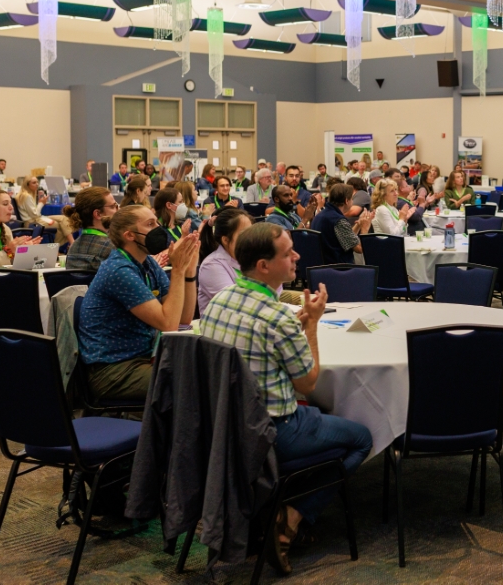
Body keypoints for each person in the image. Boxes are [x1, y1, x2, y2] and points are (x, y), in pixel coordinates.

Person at [199, 223, 372, 571]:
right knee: (361, 439)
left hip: (223, 426)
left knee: (321, 414)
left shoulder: (219, 301)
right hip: (273, 431)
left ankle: (272, 502)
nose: (297, 256)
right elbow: (307, 383)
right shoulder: (278, 317)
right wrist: (311, 325)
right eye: (287, 253)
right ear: (263, 266)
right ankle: (290, 517)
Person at [78, 205, 199, 401]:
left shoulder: (147, 263)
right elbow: (168, 324)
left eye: (157, 223)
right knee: (191, 380)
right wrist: (177, 270)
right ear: (130, 235)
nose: (158, 229)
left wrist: (190, 270)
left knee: (205, 369)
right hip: (114, 371)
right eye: (150, 224)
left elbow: (182, 320)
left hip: (145, 358)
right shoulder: (119, 270)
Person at [197, 206, 254, 314]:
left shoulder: (248, 258)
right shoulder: (211, 266)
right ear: (226, 240)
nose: (250, 238)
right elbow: (235, 305)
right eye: (244, 234)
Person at [312, 182, 375, 263]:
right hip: (339, 269)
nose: (353, 202)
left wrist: (358, 224)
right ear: (346, 201)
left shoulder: (321, 215)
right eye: (352, 199)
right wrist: (365, 229)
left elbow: (346, 237)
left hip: (323, 267)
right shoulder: (338, 220)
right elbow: (360, 249)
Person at [64, 187, 118, 272]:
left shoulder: (73, 247)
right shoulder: (113, 248)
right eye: (113, 206)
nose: (117, 211)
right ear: (98, 214)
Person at [15, 176, 73, 243]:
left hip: (35, 219)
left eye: (37, 182)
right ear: (27, 185)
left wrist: (40, 203)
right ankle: (61, 246)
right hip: (32, 222)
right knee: (63, 225)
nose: (37, 184)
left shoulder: (24, 195)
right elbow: (35, 215)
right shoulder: (27, 196)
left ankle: (65, 245)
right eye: (34, 183)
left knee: (64, 219)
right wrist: (41, 203)